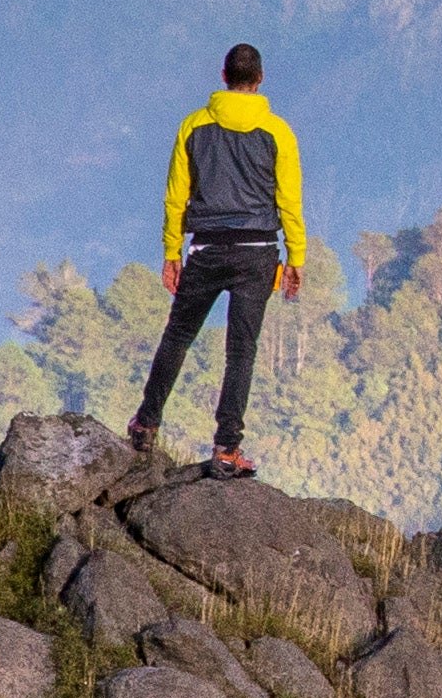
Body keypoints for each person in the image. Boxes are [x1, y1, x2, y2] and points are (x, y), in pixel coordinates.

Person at [127, 40, 311, 474]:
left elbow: (176, 198)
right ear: (260, 80)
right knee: (241, 352)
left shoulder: (193, 126)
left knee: (177, 337)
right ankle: (227, 449)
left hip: (206, 248)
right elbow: (290, 201)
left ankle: (145, 425)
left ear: (223, 77)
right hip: (258, 252)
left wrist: (172, 251)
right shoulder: (278, 132)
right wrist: (296, 257)